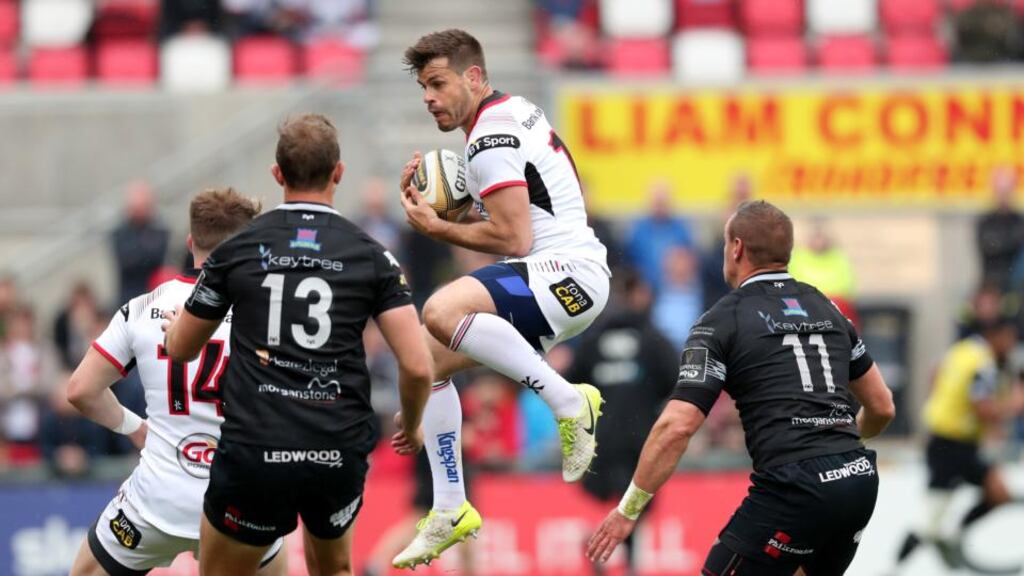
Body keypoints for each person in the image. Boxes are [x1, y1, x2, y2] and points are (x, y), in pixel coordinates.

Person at [163, 114, 433, 576]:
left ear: (277, 175)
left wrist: (175, 329)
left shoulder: (236, 250)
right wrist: (412, 424)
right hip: (335, 449)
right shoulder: (372, 255)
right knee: (334, 569)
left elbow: (182, 349)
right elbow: (418, 366)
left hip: (255, 449)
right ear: (339, 172)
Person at [393, 28, 611, 568]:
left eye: (438, 83)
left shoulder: (489, 137)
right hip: (565, 274)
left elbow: (514, 240)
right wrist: (448, 211)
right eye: (423, 87)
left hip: (566, 271)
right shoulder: (510, 112)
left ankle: (567, 400)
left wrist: (438, 230)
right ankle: (450, 507)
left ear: (473, 76)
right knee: (428, 355)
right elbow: (518, 215)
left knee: (440, 311)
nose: (429, 97)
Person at [587, 200, 896, 575]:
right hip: (858, 478)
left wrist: (627, 510)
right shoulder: (828, 308)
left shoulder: (721, 320)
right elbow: (882, 407)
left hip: (794, 486)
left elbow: (676, 426)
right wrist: (838, 453)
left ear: (736, 249)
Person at [67, 188, 288, 576]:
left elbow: (81, 390)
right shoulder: (268, 317)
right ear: (248, 247)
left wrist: (135, 428)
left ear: (190, 243)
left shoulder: (143, 307)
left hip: (154, 504)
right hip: (240, 501)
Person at [567, 270, 678, 576]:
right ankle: (626, 564)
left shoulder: (593, 340)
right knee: (635, 504)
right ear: (637, 296)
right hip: (641, 437)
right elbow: (676, 380)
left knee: (613, 498)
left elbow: (571, 384)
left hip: (602, 438)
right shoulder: (653, 339)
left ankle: (597, 542)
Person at [891, 316, 1024, 571]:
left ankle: (952, 537)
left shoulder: (962, 350)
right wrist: (1014, 406)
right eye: (1009, 339)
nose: (1011, 345)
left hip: (947, 439)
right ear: (998, 336)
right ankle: (895, 567)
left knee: (998, 493)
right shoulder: (982, 363)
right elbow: (983, 409)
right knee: (930, 521)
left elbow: (935, 374)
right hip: (952, 445)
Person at [111, 181, 170, 305]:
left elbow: (158, 258)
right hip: (127, 299)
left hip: (153, 297)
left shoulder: (160, 230)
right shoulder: (119, 233)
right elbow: (126, 261)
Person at [977, 167, 1024, 290]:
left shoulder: (1018, 220)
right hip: (993, 287)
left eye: (1007, 192)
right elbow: (989, 246)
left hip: (1016, 285)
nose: (1004, 197)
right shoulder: (986, 222)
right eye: (1001, 192)